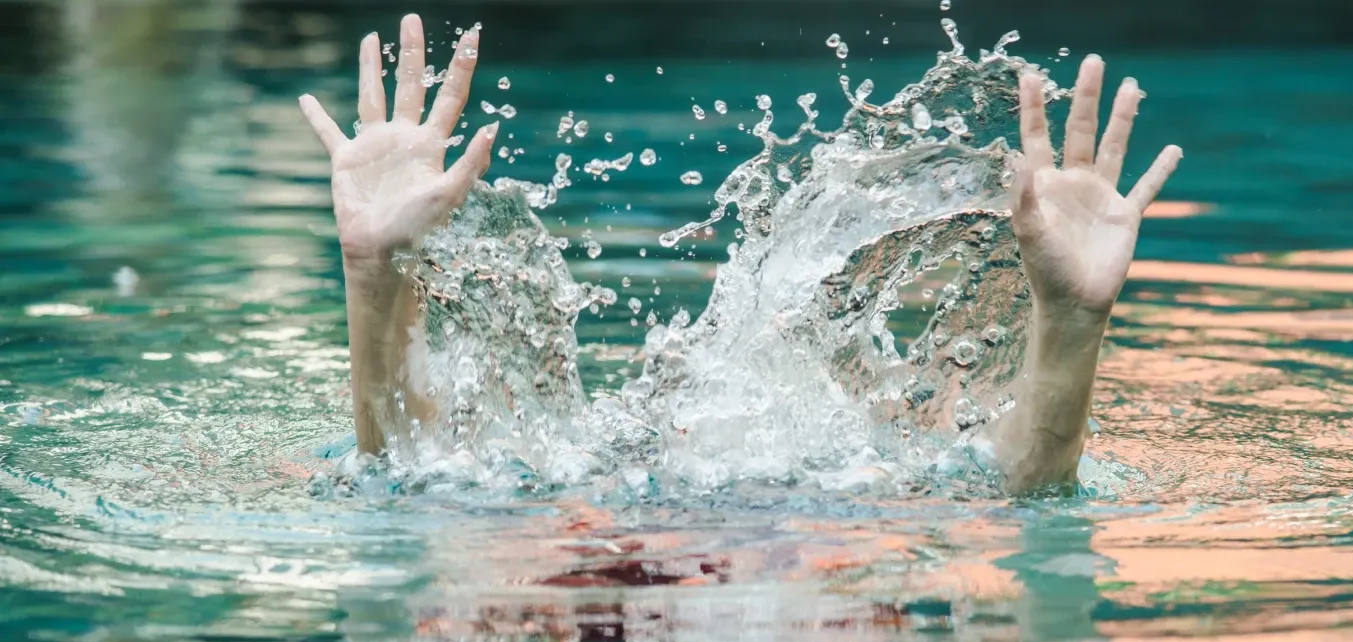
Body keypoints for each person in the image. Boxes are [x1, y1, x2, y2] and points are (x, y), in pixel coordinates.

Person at [298, 14, 1182, 497]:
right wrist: (375, 276)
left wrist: (1070, 325)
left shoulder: (847, 482)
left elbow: (1023, 485)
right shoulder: (568, 499)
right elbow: (404, 477)